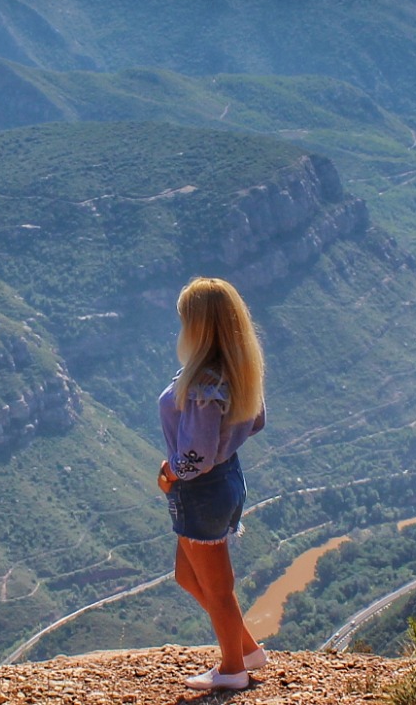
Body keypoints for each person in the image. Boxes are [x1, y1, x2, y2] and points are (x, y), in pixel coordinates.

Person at [158, 277, 268, 691]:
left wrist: (173, 474)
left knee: (218, 589)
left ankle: (232, 669)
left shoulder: (205, 382)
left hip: (200, 491)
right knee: (188, 576)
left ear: (199, 326)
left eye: (186, 318)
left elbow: (198, 456)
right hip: (227, 481)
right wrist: (226, 443)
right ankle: (246, 649)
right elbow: (256, 421)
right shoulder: (236, 371)